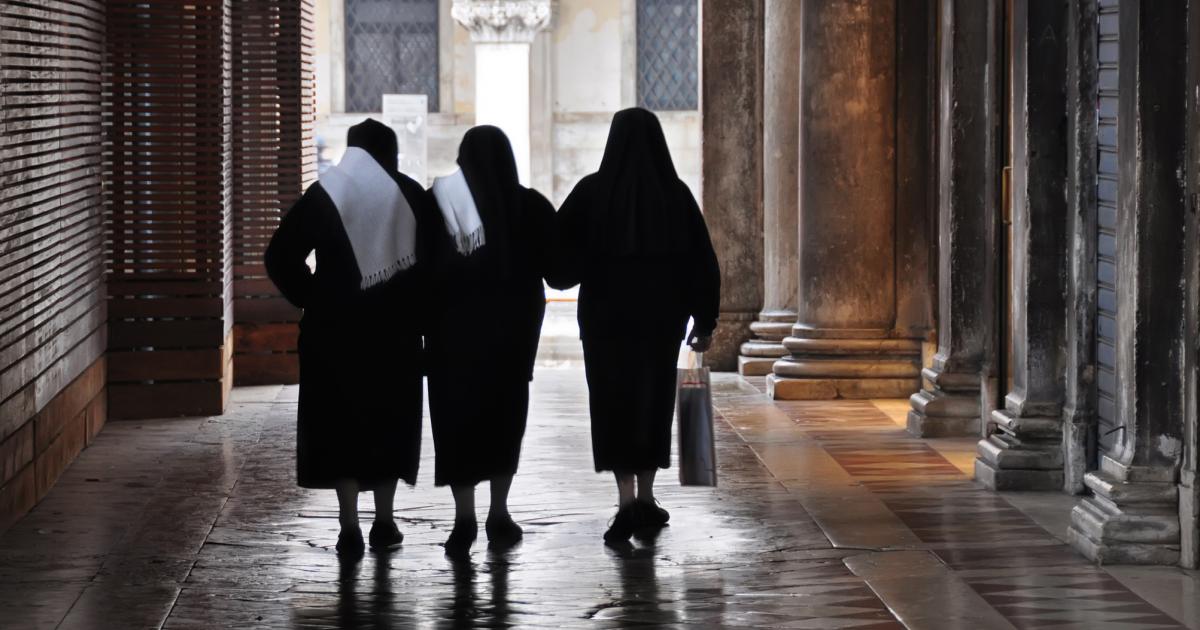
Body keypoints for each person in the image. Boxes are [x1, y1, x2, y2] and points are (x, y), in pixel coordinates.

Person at [265, 119, 438, 559]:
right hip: (393, 336)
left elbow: (280, 255)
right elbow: (434, 266)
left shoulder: (327, 193)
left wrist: (314, 297)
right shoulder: (410, 194)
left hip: (333, 334)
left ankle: (348, 526)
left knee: (339, 427)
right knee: (387, 423)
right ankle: (384, 520)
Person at [548, 108, 721, 544]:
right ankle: (646, 495)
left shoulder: (592, 192)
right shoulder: (675, 194)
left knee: (611, 406)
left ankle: (625, 501)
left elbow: (558, 262)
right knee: (652, 404)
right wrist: (705, 320)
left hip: (605, 323)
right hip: (660, 323)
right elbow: (703, 262)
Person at [426, 126, 555, 554]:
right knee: (505, 422)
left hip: (452, 340)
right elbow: (558, 267)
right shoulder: (530, 205)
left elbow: (419, 269)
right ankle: (499, 512)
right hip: (511, 341)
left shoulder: (438, 202)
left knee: (455, 426)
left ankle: (464, 518)